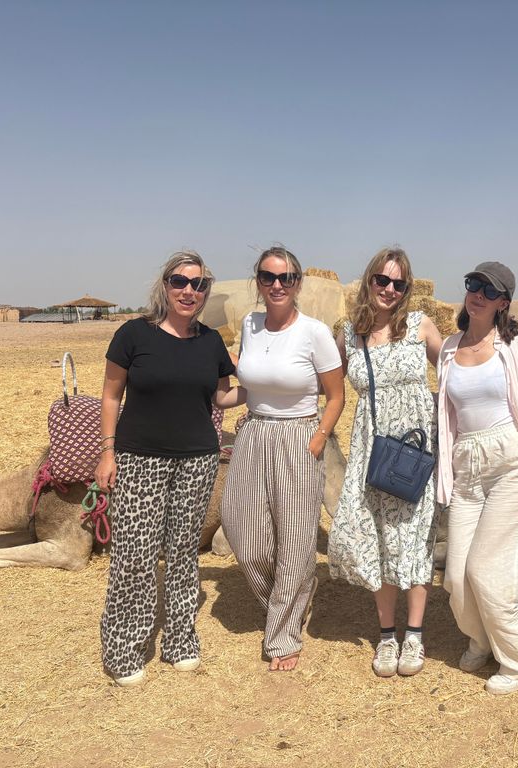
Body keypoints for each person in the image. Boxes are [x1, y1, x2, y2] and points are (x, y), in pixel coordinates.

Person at [96, 251, 240, 687]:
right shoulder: (133, 334)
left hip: (197, 460)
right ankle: (124, 645)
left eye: (198, 285)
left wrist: (265, 387)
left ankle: (179, 638)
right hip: (139, 457)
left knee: (182, 553)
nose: (189, 291)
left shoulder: (211, 341)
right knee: (134, 554)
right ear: (165, 285)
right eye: (180, 281)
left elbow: (221, 398)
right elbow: (109, 395)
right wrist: (107, 452)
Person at [220, 245, 345, 672]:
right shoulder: (250, 326)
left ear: (297, 284)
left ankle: (284, 631)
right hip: (253, 431)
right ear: (258, 282)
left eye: (286, 278)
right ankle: (287, 599)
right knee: (243, 532)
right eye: (269, 277)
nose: (277, 285)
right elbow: (249, 389)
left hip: (298, 436)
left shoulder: (315, 332)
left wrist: (318, 438)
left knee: (295, 537)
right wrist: (217, 397)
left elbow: (336, 395)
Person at [437, 261, 518, 695]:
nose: (479, 294)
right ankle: (482, 638)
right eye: (473, 285)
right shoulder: (449, 347)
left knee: (489, 570)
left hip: (510, 459)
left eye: (490, 290)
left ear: (504, 302)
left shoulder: (516, 343)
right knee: (455, 577)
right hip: (467, 463)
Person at [328, 247, 443, 678]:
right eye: (383, 280)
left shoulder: (419, 326)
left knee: (415, 538)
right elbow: (327, 384)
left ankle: (415, 635)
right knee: (378, 537)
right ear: (369, 281)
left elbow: (454, 373)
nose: (390, 290)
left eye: (399, 284)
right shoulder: (349, 334)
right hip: (371, 451)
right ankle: (387, 635)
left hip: (414, 451)